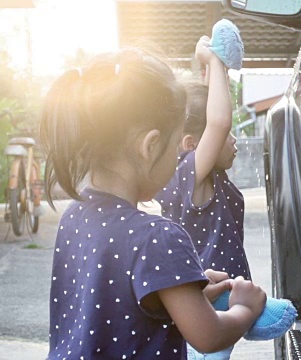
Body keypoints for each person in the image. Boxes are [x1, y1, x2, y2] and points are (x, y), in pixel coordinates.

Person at [40, 39, 266, 359]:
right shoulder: (157, 237)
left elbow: (113, 295)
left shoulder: (74, 216)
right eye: (176, 148)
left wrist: (188, 287)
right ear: (150, 146)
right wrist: (245, 309)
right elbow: (209, 335)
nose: (178, 160)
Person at [154, 34, 251, 360]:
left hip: (214, 308)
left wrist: (212, 71)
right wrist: (213, 61)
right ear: (190, 145)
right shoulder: (185, 177)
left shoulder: (207, 177)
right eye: (225, 135)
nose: (232, 137)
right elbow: (218, 121)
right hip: (203, 313)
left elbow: (213, 116)